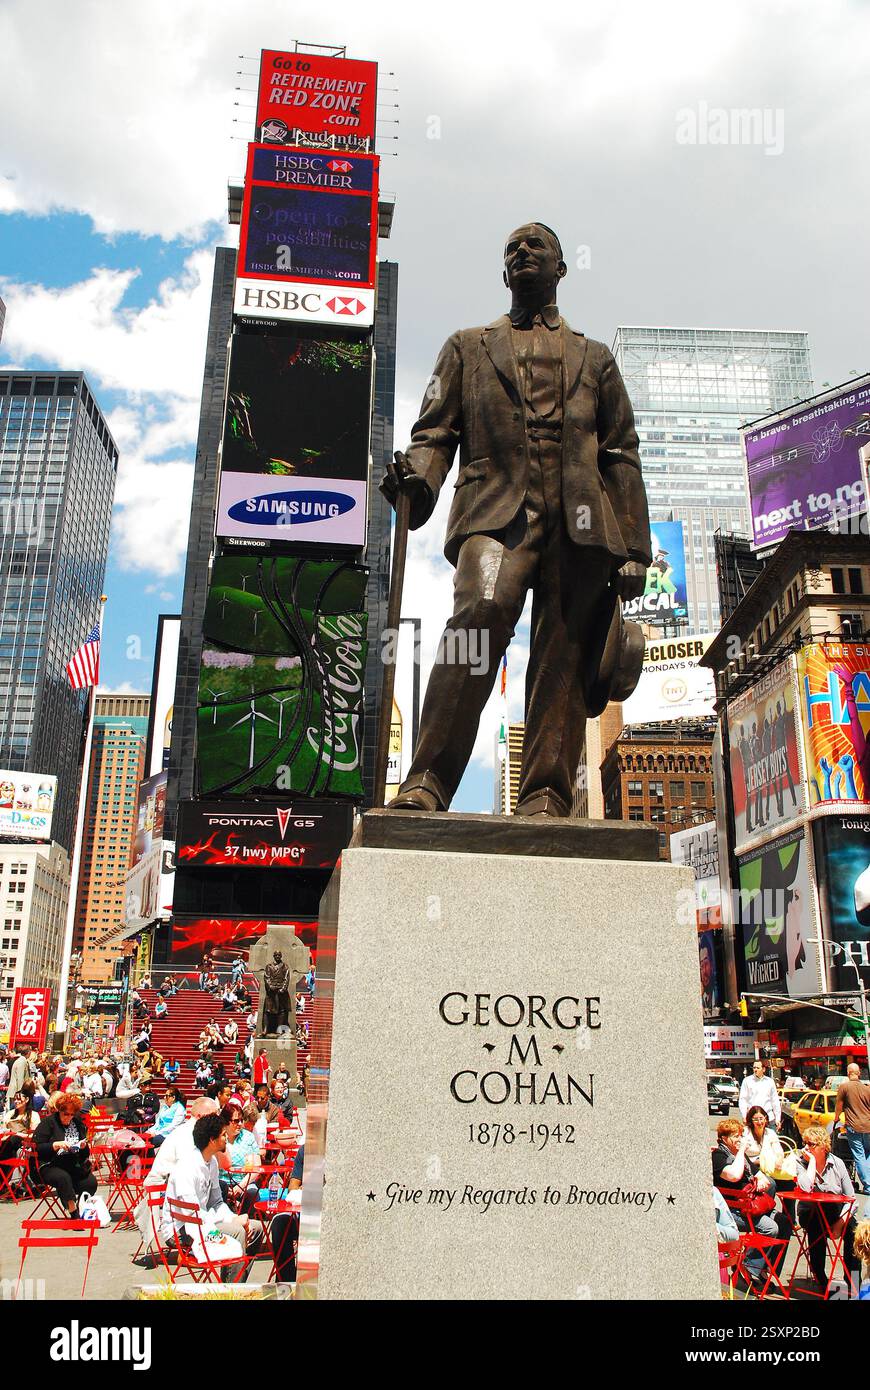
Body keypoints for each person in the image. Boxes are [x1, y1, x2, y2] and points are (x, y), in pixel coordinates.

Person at [381, 222, 651, 818]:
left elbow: (620, 452)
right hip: (496, 513)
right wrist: (417, 480)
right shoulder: (466, 346)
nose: (522, 253)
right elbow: (434, 432)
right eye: (512, 249)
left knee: (563, 649)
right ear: (504, 273)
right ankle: (426, 780)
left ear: (561, 267)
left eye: (537, 246)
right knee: (477, 618)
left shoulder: (596, 358)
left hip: (580, 525)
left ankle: (546, 794)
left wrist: (635, 547)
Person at [165, 1112, 264, 1280]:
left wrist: (232, 1217)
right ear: (212, 1140)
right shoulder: (187, 1166)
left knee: (256, 1228)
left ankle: (236, 1283)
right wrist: (231, 1222)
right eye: (223, 1135)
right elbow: (191, 1212)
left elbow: (217, 1201)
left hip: (203, 1221)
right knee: (237, 1231)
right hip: (182, 1228)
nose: (226, 1138)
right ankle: (231, 1292)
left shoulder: (211, 1162)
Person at [712, 1118, 789, 1287]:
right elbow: (734, 1175)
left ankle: (765, 1268)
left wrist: (761, 1181)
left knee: (784, 1223)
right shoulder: (718, 1156)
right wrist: (740, 1153)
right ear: (724, 1139)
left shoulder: (743, 1156)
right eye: (734, 1136)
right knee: (771, 1228)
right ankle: (745, 1268)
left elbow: (761, 1176)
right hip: (734, 1210)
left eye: (740, 1135)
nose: (739, 1139)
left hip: (753, 1205)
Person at [795, 1125, 856, 1291]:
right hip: (811, 1211)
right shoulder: (801, 1163)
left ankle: (853, 1280)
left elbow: (852, 1199)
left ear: (823, 1146)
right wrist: (813, 1162)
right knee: (816, 1225)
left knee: (855, 1231)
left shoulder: (838, 1164)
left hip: (837, 1212)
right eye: (805, 1143)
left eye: (811, 1144)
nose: (806, 1147)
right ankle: (821, 1280)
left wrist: (840, 1223)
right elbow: (806, 1188)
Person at [33, 1091, 97, 1217]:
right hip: (49, 1164)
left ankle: (81, 1207)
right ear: (59, 1111)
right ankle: (74, 1214)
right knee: (63, 1178)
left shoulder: (78, 1124)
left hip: (72, 1163)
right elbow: (38, 1148)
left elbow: (85, 1154)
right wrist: (55, 1145)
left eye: (72, 1114)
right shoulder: (48, 1122)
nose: (68, 1117)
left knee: (90, 1182)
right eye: (65, 1114)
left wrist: (83, 1147)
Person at [833, 1063, 870, 1216]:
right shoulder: (867, 1088)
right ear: (859, 1073)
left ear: (849, 1073)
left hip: (854, 1127)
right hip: (868, 1126)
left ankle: (868, 1185)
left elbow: (839, 1106)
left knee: (859, 1155)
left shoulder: (844, 1087)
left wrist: (835, 1120)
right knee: (868, 1154)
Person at [270, 1143, 304, 1286]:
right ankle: (286, 1283)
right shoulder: (305, 1151)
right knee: (279, 1221)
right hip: (302, 1213)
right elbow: (293, 1188)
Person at [743, 1104, 785, 1181]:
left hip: (771, 1167)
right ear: (751, 1120)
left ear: (765, 1119)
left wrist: (779, 1160)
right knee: (771, 1183)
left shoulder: (770, 1133)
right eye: (755, 1119)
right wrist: (758, 1162)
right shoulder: (745, 1132)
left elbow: (778, 1150)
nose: (759, 1122)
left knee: (789, 1181)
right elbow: (740, 1154)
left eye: (761, 1118)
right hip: (751, 1168)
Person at [738, 1060, 781, 1129]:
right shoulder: (747, 1081)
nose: (755, 1070)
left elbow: (775, 1101)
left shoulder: (770, 1082)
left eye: (758, 1068)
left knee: (771, 1139)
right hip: (753, 1119)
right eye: (754, 1068)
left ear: (763, 1069)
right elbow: (743, 1100)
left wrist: (778, 1118)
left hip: (769, 1119)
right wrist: (744, 1116)